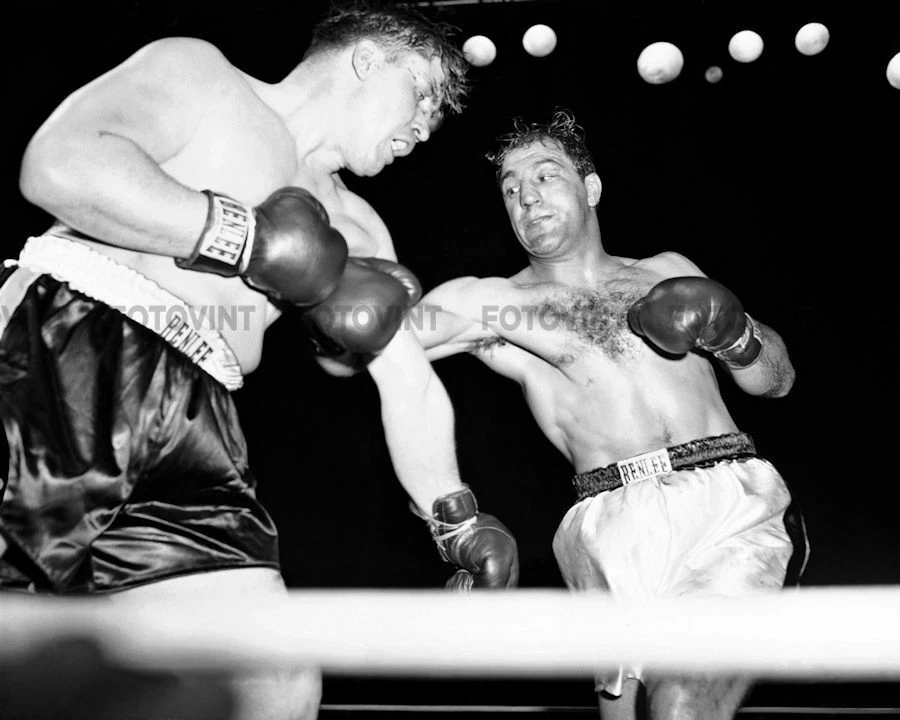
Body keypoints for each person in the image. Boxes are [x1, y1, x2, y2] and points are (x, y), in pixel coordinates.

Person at [0, 4, 517, 719]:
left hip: (203, 416)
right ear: (369, 59)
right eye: (424, 95)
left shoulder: (362, 228)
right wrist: (241, 239)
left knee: (273, 677)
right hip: (75, 344)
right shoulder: (205, 78)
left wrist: (454, 515)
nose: (425, 127)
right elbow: (58, 165)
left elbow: (406, 377)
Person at [413, 110, 807, 720]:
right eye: (511, 189)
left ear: (591, 187)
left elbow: (776, 382)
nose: (527, 197)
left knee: (681, 703)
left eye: (545, 176)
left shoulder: (667, 271)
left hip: (726, 505)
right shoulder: (497, 305)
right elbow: (373, 348)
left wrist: (737, 335)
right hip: (605, 525)